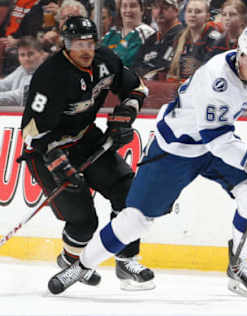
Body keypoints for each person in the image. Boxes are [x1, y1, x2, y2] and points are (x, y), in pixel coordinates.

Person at [46, 25, 247, 298]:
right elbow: (218, 140)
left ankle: (238, 264)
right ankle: (82, 265)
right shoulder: (216, 79)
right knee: (136, 221)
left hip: (214, 146)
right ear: (240, 53)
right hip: (177, 148)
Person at [20, 16, 155, 291]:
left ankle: (125, 258)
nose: (85, 50)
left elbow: (136, 88)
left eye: (89, 43)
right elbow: (32, 132)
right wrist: (59, 164)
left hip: (86, 138)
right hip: (49, 150)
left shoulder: (106, 60)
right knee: (84, 223)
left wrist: (125, 116)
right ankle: (70, 260)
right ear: (66, 45)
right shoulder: (50, 76)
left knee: (127, 190)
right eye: (78, 43)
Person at [167, 0, 221, 82]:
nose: (193, 15)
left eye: (198, 12)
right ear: (184, 15)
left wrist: (200, 67)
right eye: (189, 11)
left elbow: (220, 70)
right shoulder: (179, 36)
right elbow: (170, 65)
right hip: (181, 85)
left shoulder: (215, 39)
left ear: (207, 16)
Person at [132, 0, 184, 78]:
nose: (159, 11)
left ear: (176, 11)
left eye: (165, 7)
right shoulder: (151, 39)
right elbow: (135, 66)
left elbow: (163, 68)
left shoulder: (183, 36)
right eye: (156, 7)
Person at [102, 0, 155, 68]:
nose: (128, 10)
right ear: (120, 10)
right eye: (124, 6)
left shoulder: (147, 33)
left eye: (133, 6)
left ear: (142, 10)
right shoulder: (111, 34)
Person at [0, 36, 48, 106]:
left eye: (30, 54)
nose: (26, 58)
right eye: (22, 55)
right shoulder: (22, 69)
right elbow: (3, 84)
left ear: (42, 54)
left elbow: (17, 97)